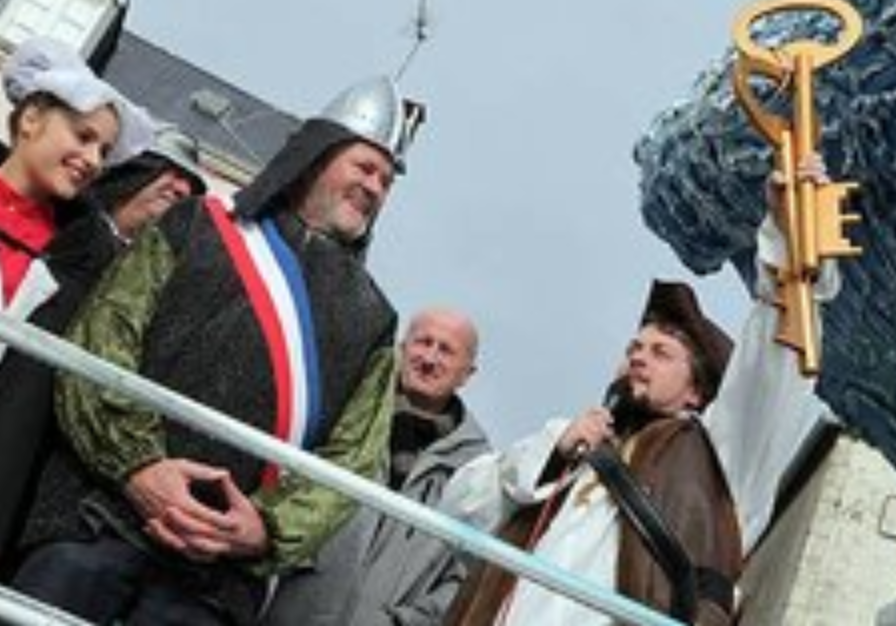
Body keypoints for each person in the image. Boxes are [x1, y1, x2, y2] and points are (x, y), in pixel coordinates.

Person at [11, 75, 424, 625]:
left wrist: (266, 529)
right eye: (364, 167)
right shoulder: (195, 225)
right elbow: (102, 341)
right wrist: (139, 468)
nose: (375, 187)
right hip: (96, 520)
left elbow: (352, 460)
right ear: (315, 157)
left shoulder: (374, 319)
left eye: (386, 181)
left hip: (213, 586)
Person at [439, 161, 841, 625]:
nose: (638, 357)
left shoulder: (719, 458)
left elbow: (772, 362)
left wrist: (793, 237)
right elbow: (457, 513)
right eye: (634, 348)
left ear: (696, 393)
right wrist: (553, 451)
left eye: (660, 352)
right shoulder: (567, 452)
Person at [0, 35, 153, 563]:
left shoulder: (90, 262)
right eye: (83, 137)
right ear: (30, 119)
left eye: (104, 152)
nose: (92, 160)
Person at [263, 307, 492, 626]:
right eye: (423, 342)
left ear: (467, 373)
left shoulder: (477, 470)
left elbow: (466, 576)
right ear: (403, 347)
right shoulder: (345, 409)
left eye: (446, 350)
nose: (429, 358)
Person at [89, 123, 207, 246]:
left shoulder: (157, 256)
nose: (184, 190)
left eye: (192, 186)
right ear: (132, 171)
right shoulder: (75, 220)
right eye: (177, 173)